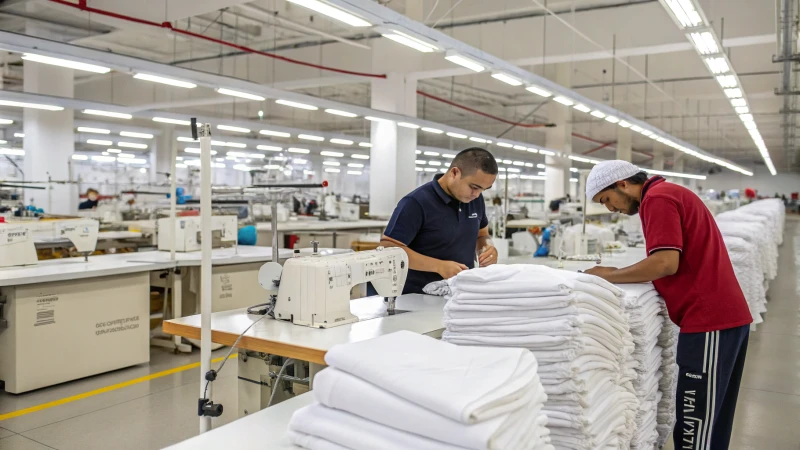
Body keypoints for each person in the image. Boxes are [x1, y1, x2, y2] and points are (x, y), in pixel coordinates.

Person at [582, 160, 752, 450]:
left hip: (709, 322)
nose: (611, 209)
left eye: (607, 200)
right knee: (713, 422)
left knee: (694, 422)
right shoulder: (668, 193)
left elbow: (665, 263)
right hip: (720, 321)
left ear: (622, 184)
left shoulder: (657, 199)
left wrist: (610, 275)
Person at [379, 147, 499, 294]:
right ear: (455, 173)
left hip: (460, 294)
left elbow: (482, 234)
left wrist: (487, 248)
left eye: (483, 189)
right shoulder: (416, 202)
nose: (477, 194)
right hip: (416, 299)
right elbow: (388, 249)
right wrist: (438, 266)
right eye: (474, 187)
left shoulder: (476, 200)